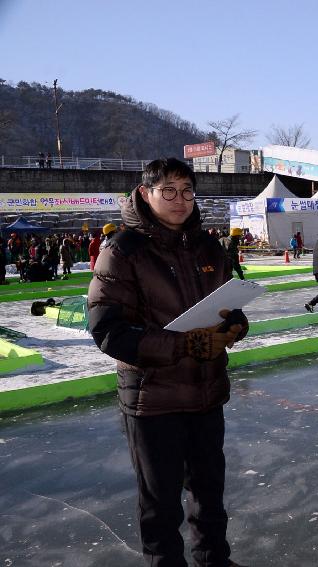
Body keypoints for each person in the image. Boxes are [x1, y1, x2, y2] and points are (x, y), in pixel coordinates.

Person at [87, 157, 249, 567]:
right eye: (169, 191)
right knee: (160, 505)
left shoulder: (208, 246)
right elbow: (109, 331)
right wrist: (182, 346)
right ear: (145, 194)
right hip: (152, 399)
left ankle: (215, 560)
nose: (180, 201)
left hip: (207, 392)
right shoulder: (122, 251)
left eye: (188, 191)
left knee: (209, 493)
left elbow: (228, 308)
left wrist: (234, 327)